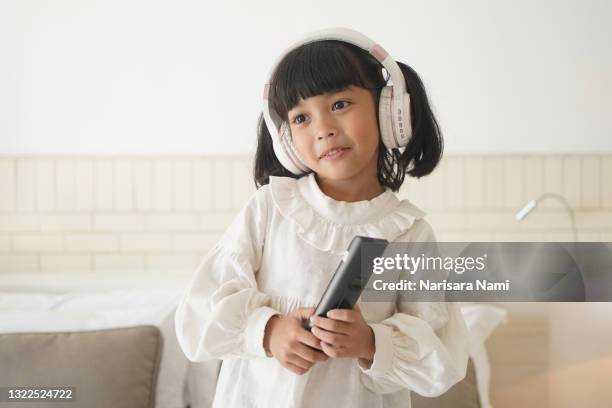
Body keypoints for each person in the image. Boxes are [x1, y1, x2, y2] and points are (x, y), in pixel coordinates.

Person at [175, 28, 469, 408]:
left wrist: (371, 342)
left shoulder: (409, 232)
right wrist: (268, 331)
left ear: (389, 110)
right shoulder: (269, 209)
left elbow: (442, 358)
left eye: (340, 104)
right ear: (285, 140)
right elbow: (197, 317)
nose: (323, 130)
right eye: (300, 118)